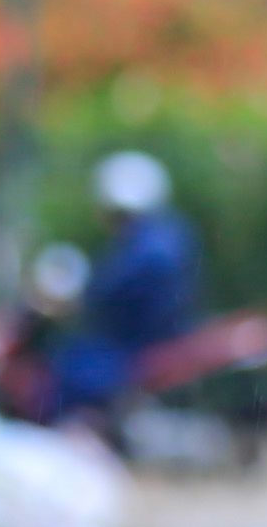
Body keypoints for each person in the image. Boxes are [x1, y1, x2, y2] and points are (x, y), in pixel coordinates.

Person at [49, 148, 202, 420]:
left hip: (134, 348)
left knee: (62, 375)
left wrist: (76, 300)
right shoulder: (170, 232)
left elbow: (102, 293)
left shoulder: (144, 247)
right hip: (159, 337)